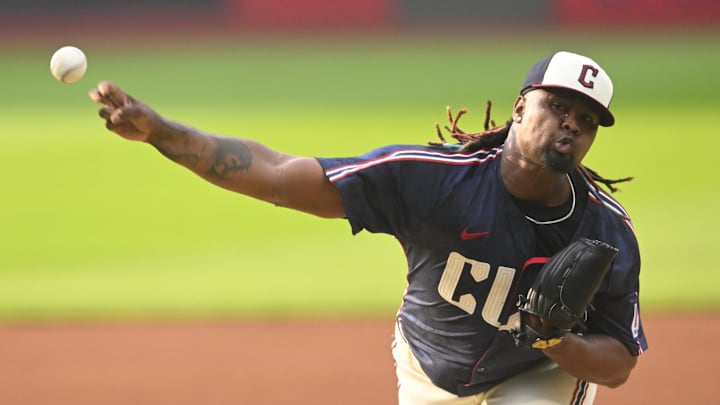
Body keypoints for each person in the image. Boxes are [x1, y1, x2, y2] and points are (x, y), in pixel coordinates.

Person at [89, 50, 647, 404]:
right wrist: (163, 132)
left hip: (537, 376)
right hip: (430, 369)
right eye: (558, 105)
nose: (571, 122)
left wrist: (557, 340)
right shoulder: (431, 180)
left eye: (588, 118)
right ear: (522, 108)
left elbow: (619, 362)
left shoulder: (606, 232)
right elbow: (278, 176)